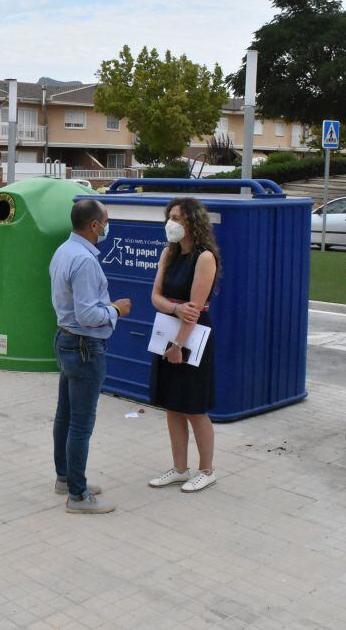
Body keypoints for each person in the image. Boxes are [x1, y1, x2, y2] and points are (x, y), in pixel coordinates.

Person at [49, 199, 132, 514]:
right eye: (106, 219)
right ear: (94, 225)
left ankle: (65, 478)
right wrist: (116, 310)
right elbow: (87, 314)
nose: (108, 225)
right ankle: (78, 496)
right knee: (80, 424)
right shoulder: (83, 260)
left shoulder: (64, 251)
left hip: (66, 340)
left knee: (66, 416)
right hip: (84, 347)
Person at [147, 197, 220, 493]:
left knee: (194, 406)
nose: (171, 222)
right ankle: (179, 468)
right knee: (172, 405)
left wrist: (179, 345)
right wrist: (174, 310)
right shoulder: (169, 253)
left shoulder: (204, 258)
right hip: (167, 330)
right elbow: (155, 296)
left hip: (192, 337)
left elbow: (195, 308)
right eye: (170, 216)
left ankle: (206, 469)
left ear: (192, 221)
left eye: (177, 217)